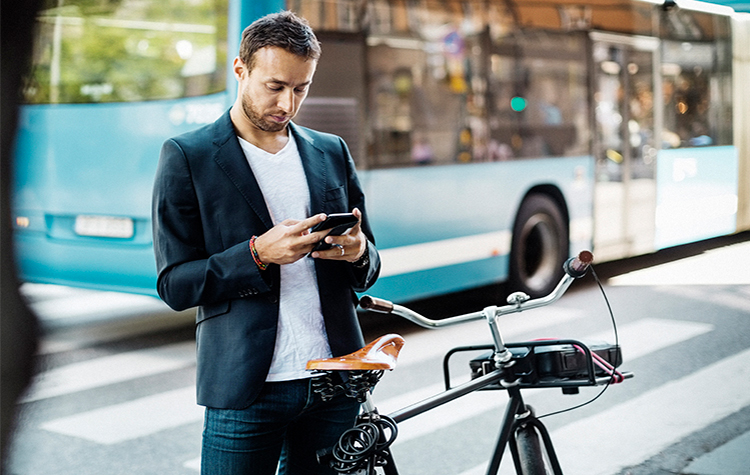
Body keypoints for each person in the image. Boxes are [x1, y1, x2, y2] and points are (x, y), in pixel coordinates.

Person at [151, 11, 380, 475]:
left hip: (335, 381)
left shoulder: (330, 150)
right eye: (274, 86)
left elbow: (370, 261)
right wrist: (257, 255)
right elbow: (175, 285)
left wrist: (358, 252)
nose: (288, 102)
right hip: (247, 388)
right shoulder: (188, 156)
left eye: (301, 88)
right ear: (241, 70)